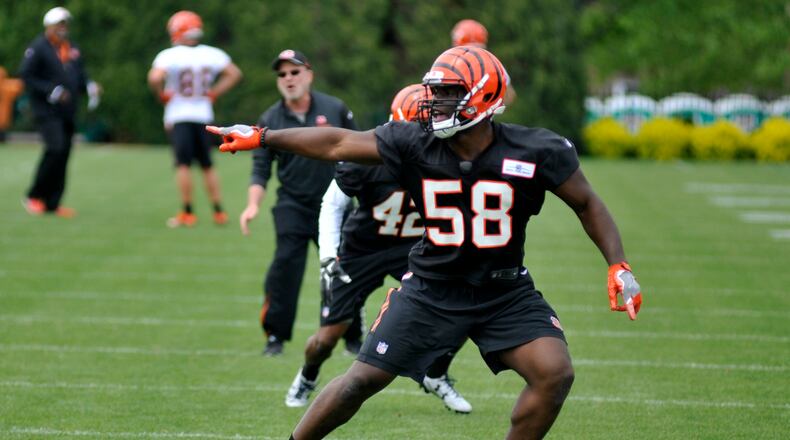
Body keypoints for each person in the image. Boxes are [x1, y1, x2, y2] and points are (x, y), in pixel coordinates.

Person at [207, 46, 643, 439]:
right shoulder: (414, 142)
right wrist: (265, 137)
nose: (435, 102)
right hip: (432, 288)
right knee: (360, 382)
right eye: (435, 92)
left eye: (449, 93)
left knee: (554, 373)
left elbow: (587, 202)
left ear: (483, 95)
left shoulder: (536, 150)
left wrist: (617, 263)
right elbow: (339, 140)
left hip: (503, 290)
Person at [284, 84, 471, 414]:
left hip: (415, 249)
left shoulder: (449, 157)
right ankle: (308, 375)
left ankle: (436, 373)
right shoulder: (368, 158)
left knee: (460, 308)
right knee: (328, 337)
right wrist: (328, 254)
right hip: (362, 250)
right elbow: (332, 203)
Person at [242, 49, 358, 356]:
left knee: (344, 269)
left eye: (294, 72)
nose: (289, 79)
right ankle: (275, 337)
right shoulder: (270, 118)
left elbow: (359, 153)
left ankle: (352, 336)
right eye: (282, 74)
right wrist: (252, 204)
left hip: (336, 204)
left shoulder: (335, 109)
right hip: (293, 205)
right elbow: (260, 168)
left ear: (309, 74)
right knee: (284, 269)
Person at [147, 10, 242, 227]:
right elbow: (235, 73)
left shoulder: (169, 55)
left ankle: (188, 211)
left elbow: (154, 78)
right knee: (207, 164)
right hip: (203, 115)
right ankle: (219, 211)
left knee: (183, 165)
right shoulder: (212, 53)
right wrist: (215, 92)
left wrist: (160, 94)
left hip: (179, 115)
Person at [20, 6, 101, 217]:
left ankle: (53, 202)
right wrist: (51, 90)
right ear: (49, 26)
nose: (63, 29)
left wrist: (90, 86)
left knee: (64, 153)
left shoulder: (71, 47)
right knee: (54, 149)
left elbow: (79, 74)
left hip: (68, 111)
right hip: (47, 111)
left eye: (65, 24)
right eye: (59, 25)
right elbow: (26, 75)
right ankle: (34, 195)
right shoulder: (39, 47)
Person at [452, 18, 517, 106]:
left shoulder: (491, 64)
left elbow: (509, 95)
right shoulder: (450, 63)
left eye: (476, 49)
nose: (472, 53)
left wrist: (487, 106)